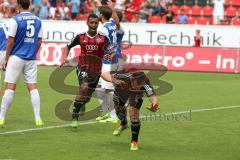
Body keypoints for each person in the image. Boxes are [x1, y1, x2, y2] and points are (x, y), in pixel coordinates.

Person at [61, 13, 117, 128]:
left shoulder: (103, 37)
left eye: (96, 23)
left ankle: (82, 103)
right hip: (83, 67)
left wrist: (111, 55)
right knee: (84, 87)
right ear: (87, 23)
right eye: (91, 22)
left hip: (96, 70)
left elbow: (112, 50)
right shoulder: (80, 36)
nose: (94, 25)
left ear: (98, 23)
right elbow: (68, 46)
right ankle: (74, 118)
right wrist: (65, 58)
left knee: (87, 96)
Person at [0, 0, 43, 126]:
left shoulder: (15, 20)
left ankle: (1, 117)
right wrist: (33, 53)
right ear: (29, 5)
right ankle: (38, 118)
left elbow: (10, 42)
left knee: (10, 87)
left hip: (16, 57)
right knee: (33, 87)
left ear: (18, 5)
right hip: (31, 58)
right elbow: (39, 41)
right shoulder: (38, 20)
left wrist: (6, 58)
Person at [101, 67, 159, 150]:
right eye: (136, 82)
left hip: (135, 94)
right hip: (120, 91)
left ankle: (134, 141)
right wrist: (115, 81)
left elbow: (151, 94)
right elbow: (104, 74)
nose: (138, 84)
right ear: (131, 77)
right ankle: (123, 124)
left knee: (133, 113)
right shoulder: (122, 73)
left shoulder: (144, 80)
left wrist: (154, 103)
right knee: (118, 109)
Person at [95, 4, 119, 123]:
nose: (97, 14)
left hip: (107, 60)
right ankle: (106, 111)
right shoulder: (112, 24)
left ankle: (114, 116)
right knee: (98, 86)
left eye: (98, 12)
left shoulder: (103, 29)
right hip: (110, 58)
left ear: (101, 15)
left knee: (109, 89)